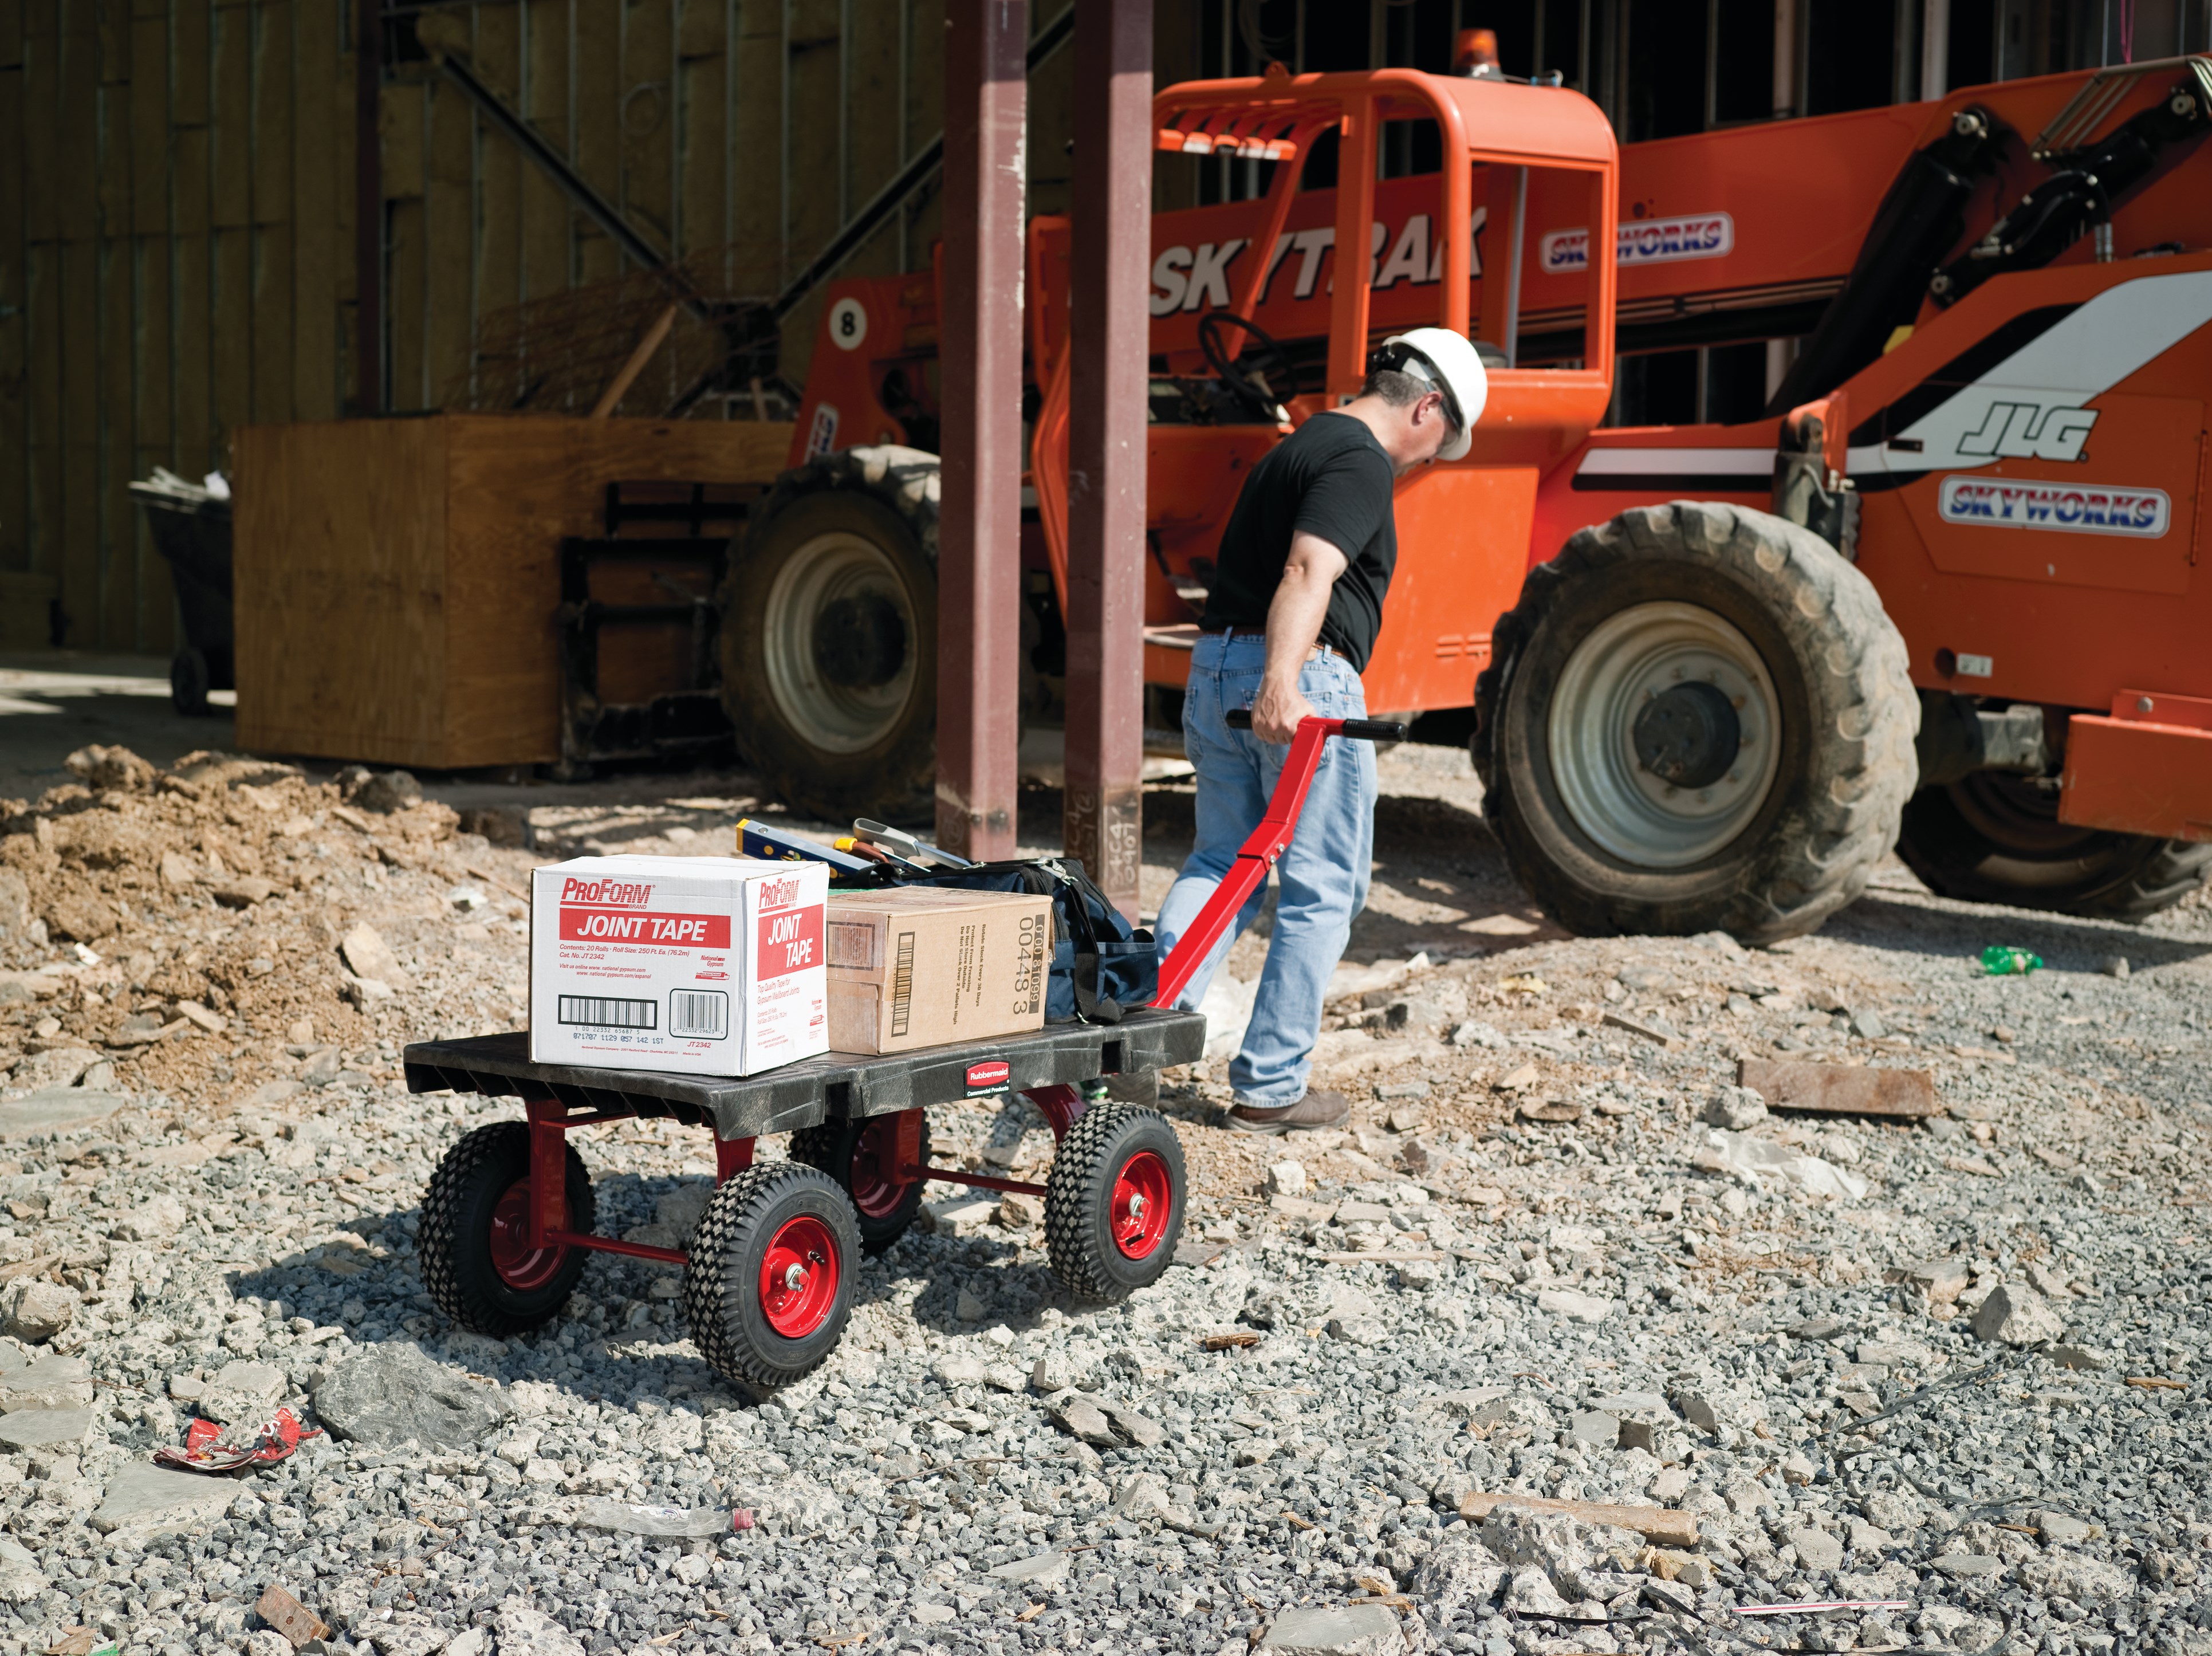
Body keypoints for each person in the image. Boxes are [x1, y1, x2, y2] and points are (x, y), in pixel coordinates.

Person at [1154, 327, 1489, 1134]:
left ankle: (1138, 1037)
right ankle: (1270, 1087)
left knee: (1222, 861)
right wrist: (1281, 684)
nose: (1431, 459)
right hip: (1298, 677)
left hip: (1213, 665)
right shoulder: (1360, 460)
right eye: (1443, 442)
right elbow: (1309, 569)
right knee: (1321, 886)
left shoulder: (1298, 447)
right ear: (1428, 406)